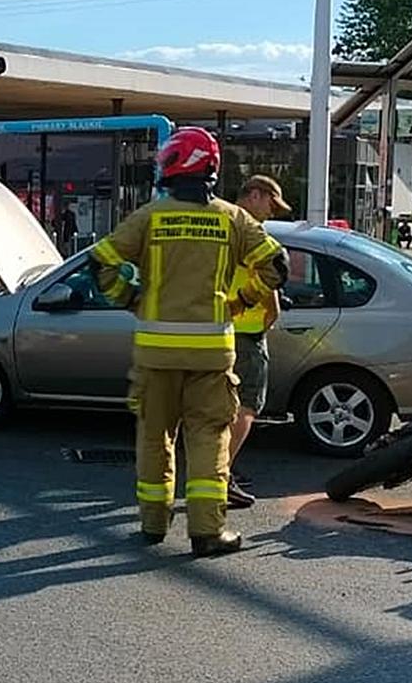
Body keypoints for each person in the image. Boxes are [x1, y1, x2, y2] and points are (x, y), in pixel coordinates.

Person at [89, 128, 288, 556]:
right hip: (211, 354)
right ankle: (207, 532)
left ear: (171, 167)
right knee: (209, 439)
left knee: (154, 438)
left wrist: (132, 300)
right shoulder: (233, 218)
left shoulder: (149, 217)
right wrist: (240, 301)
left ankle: (153, 524)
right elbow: (276, 265)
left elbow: (101, 262)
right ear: (212, 169)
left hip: (155, 352)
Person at [227, 174, 292, 508]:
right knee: (246, 407)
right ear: (254, 195)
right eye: (270, 203)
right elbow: (270, 285)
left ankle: (211, 473)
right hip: (247, 334)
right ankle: (220, 476)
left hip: (216, 330)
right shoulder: (253, 234)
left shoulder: (222, 225)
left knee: (215, 411)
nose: (272, 213)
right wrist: (269, 318)